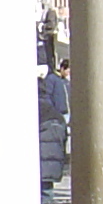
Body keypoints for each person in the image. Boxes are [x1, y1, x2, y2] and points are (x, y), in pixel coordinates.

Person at [37, 59, 71, 191]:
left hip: (40, 165)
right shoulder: (56, 81)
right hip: (51, 167)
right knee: (47, 194)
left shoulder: (34, 111)